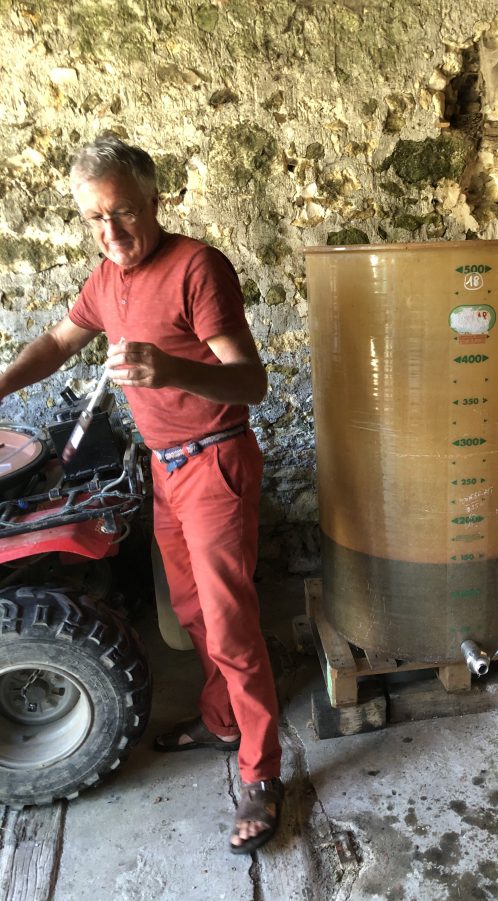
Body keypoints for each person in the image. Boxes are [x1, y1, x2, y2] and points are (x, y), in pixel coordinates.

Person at [0, 134, 283, 855]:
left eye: (123, 212)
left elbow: (251, 382)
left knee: (230, 624)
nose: (112, 231)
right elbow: (58, 342)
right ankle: (222, 721)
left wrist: (171, 370)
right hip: (165, 467)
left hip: (216, 462)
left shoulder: (197, 268)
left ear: (155, 200)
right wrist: (1, 383)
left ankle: (262, 771)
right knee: (190, 613)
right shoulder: (106, 277)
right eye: (96, 218)